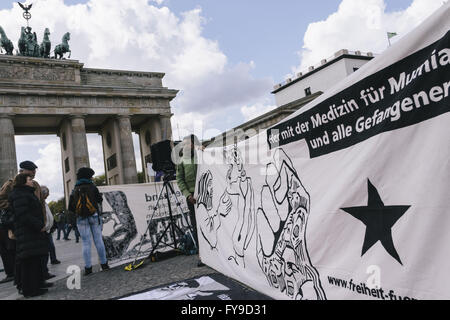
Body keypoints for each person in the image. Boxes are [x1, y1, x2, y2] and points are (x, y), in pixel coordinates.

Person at [9, 173, 51, 298]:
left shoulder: (25, 193)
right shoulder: (19, 194)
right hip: (28, 232)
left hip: (31, 232)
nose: (32, 181)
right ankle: (30, 290)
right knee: (29, 262)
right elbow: (23, 215)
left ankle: (36, 286)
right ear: (23, 182)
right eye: (29, 179)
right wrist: (38, 225)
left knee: (35, 260)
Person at [68, 167, 109, 275]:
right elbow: (99, 200)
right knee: (98, 240)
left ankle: (88, 268)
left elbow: (70, 207)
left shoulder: (75, 189)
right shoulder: (92, 187)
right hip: (94, 216)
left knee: (86, 243)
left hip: (81, 218)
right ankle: (104, 264)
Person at [176, 134, 204, 267]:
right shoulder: (181, 161)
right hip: (192, 198)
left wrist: (204, 151)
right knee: (196, 227)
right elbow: (180, 180)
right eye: (184, 144)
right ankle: (202, 256)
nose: (185, 146)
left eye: (187, 143)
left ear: (194, 144)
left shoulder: (202, 154)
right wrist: (188, 195)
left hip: (206, 194)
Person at [0, 177, 16, 284]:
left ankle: (11, 273)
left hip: (4, 224)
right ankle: (11, 272)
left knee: (7, 249)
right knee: (7, 249)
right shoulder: (10, 184)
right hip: (3, 224)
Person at [41, 186, 60, 267]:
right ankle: (45, 265)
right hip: (44, 229)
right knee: (47, 247)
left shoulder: (44, 202)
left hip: (48, 229)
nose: (48, 195)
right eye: (47, 193)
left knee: (51, 246)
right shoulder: (40, 202)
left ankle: (53, 259)